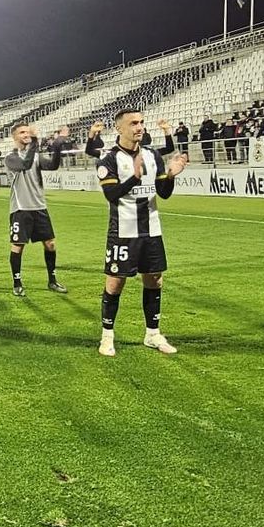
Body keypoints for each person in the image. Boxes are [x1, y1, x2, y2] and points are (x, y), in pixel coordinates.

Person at [96, 109, 188, 356]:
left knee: (155, 278)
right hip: (123, 231)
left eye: (141, 122)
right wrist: (135, 178)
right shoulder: (108, 160)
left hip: (152, 230)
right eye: (133, 123)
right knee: (115, 283)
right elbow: (111, 195)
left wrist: (170, 176)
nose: (139, 127)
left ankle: (153, 334)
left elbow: (163, 193)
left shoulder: (152, 155)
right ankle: (107, 337)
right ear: (119, 129)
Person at [5, 124, 68, 296]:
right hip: (20, 208)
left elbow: (53, 166)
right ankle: (17, 283)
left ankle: (52, 280)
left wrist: (57, 146)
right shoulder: (11, 158)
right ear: (14, 137)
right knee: (18, 247)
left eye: (27, 132)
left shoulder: (36, 156)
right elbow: (24, 165)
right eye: (22, 132)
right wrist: (35, 141)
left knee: (50, 244)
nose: (26, 134)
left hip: (39, 207)